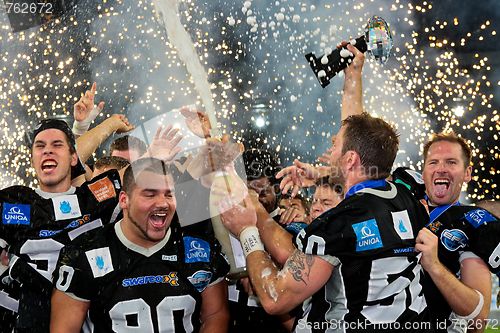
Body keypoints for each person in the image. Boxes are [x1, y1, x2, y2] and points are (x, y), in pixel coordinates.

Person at [219, 113, 432, 332]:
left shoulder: (336, 224)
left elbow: (276, 298)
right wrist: (326, 173)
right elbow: (374, 175)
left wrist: (247, 229)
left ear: (350, 159)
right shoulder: (408, 196)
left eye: (335, 145)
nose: (330, 152)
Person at [51, 158, 230, 332]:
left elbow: (215, 315)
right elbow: (65, 329)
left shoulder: (197, 249)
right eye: (149, 194)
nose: (162, 203)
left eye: (169, 194)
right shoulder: (85, 252)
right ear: (124, 200)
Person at [0, 118, 124, 332]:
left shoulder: (96, 197)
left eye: (57, 145)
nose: (47, 151)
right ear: (32, 159)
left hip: (88, 315)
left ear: (75, 157)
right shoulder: (14, 200)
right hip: (29, 318)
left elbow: (147, 189)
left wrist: (110, 124)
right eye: (40, 146)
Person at [392, 133, 497, 333]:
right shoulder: (401, 209)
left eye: (451, 162)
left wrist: (434, 265)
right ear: (423, 173)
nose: (441, 169)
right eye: (433, 162)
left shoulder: (471, 224)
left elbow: (478, 322)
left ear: (467, 173)